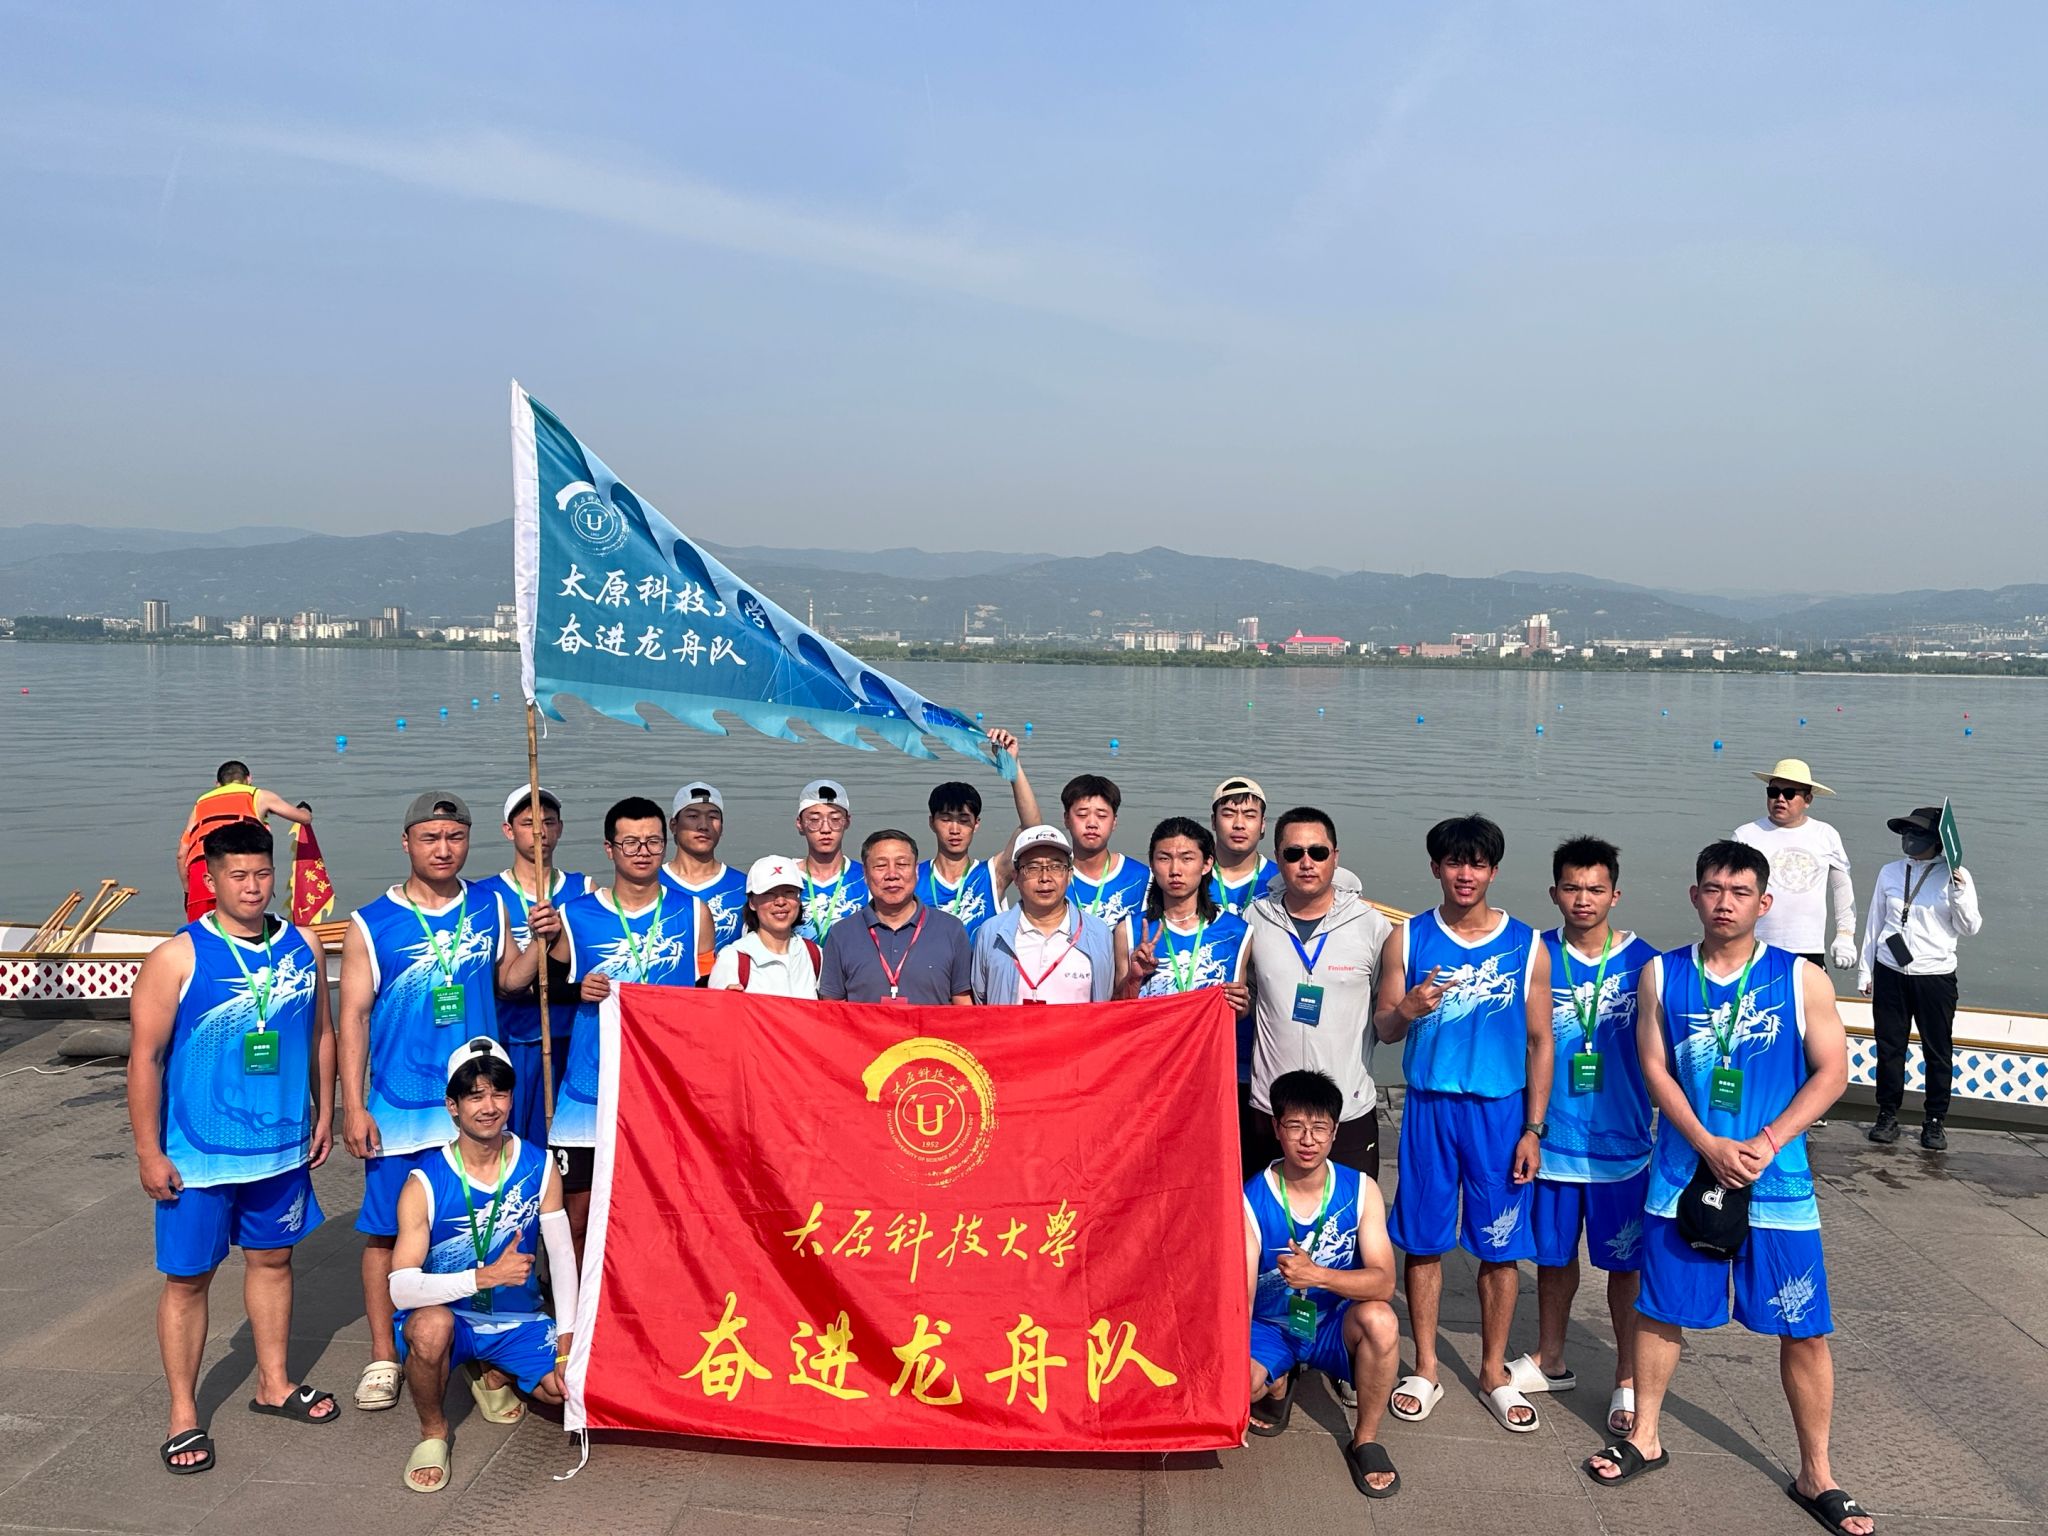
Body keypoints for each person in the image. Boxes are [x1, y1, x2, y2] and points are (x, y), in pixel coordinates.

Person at [1585, 841, 1873, 1536]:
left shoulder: (1800, 979)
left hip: (1776, 1181)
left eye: (1740, 892)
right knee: (1660, 1310)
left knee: (1804, 1327)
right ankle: (1646, 1436)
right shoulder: (1662, 974)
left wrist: (1767, 1141)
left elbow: (1832, 1072)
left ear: (1764, 903)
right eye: (1713, 889)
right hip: (1685, 1174)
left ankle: (1817, 1473)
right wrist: (1707, 1143)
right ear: (1695, 896)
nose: (1725, 903)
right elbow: (1655, 1069)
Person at [129, 821, 339, 1475]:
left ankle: (273, 1383)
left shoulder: (304, 943)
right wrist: (148, 1152)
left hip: (280, 1149)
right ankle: (183, 1414)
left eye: (262, 873)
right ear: (211, 879)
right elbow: (144, 1059)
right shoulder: (176, 957)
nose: (252, 887)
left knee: (273, 1261)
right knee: (189, 1280)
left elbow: (321, 1035)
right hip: (197, 1158)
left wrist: (325, 1112)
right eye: (238, 875)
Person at [338, 790, 554, 1416]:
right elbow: (352, 1018)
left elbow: (508, 980)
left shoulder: (490, 904)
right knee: (386, 1234)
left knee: (479, 1226)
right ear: (406, 842)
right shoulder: (370, 922)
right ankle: (385, 1355)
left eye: (455, 837)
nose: (443, 849)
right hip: (400, 1112)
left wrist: (541, 943)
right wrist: (354, 1105)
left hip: (475, 1105)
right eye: (430, 838)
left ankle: (483, 1352)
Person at [1374, 814, 1551, 1434]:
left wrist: (1534, 1129)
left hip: (1500, 1113)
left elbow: (1541, 1042)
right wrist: (1408, 1006)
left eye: (1477, 863)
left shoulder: (1528, 944)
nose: (1465, 874)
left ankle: (1493, 1370)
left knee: (1500, 1249)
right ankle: (1425, 1367)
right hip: (1429, 1107)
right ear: (1436, 868)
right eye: (1454, 862)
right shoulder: (1407, 938)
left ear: (1493, 871)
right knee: (1423, 1241)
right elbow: (1384, 1028)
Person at [1505, 836, 1660, 1439]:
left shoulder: (1648, 964)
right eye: (1572, 887)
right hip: (1552, 1142)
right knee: (1552, 1258)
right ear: (1554, 893)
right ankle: (1550, 1358)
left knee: (1626, 1268)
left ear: (1616, 895)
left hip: (1624, 1149)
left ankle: (1627, 1375)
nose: (1583, 899)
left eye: (1596, 889)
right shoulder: (1534, 955)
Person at [388, 1038, 577, 1495]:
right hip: (451, 1317)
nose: (489, 1107)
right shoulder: (424, 1182)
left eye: (499, 1093)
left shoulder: (539, 1166)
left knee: (567, 1390)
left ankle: (493, 1370)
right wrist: (485, 1277)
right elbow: (401, 1288)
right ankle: (434, 1433)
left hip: (517, 1319)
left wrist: (569, 1342)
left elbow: (563, 1259)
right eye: (474, 1096)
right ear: (452, 1106)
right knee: (429, 1331)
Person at [549, 796, 709, 1248]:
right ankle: (569, 1295)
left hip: (663, 1089)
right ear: (610, 849)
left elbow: (706, 993)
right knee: (577, 1218)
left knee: (660, 1211)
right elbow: (547, 987)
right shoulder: (575, 915)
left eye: (653, 842)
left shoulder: (694, 913)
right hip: (589, 1090)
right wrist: (577, 990)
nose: (643, 851)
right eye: (631, 842)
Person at [1244, 1069, 1403, 1500]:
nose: (1308, 1140)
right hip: (1272, 1325)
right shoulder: (1250, 1198)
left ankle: (1366, 1440)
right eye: (1295, 1126)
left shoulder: (1361, 1189)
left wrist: (1317, 1275)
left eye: (1319, 1128)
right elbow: (1242, 1297)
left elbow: (1384, 1283)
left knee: (1382, 1321)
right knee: (1239, 1388)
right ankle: (1278, 1380)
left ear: (1335, 1132)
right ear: (1277, 1128)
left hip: (1333, 1320)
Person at [1243, 808, 1391, 1180]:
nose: (1306, 863)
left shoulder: (1372, 926)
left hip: (1346, 1111)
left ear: (1335, 856)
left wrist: (1410, 1010)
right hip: (1272, 1109)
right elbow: (1246, 997)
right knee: (1266, 1214)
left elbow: (1386, 1017)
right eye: (1294, 853)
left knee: (1349, 1215)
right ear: (1278, 858)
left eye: (1318, 852)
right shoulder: (1254, 919)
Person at [1858, 805, 1982, 1151]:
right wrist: (1866, 969)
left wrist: (1958, 893)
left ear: (1936, 841)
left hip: (1934, 975)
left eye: (1917, 833)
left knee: (1937, 1050)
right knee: (1889, 1047)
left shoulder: (1956, 876)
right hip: (1891, 969)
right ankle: (1887, 1115)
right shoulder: (1890, 872)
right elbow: (1875, 921)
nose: (1909, 838)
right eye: (1906, 832)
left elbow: (1970, 927)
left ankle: (1935, 1121)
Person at [483, 786, 589, 1148]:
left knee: (570, 1144)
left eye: (549, 822)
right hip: (515, 1040)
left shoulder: (584, 888)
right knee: (516, 1143)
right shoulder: (488, 896)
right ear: (508, 830)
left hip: (571, 1039)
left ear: (560, 828)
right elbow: (501, 983)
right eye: (528, 823)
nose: (540, 831)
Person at [970, 824, 1123, 1004]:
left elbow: (1105, 1002)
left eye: (1056, 867)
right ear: (1016, 877)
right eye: (1033, 867)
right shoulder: (992, 933)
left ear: (1069, 874)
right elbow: (981, 1004)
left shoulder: (1097, 933)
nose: (1045, 878)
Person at [818, 829, 974, 1005]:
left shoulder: (951, 929)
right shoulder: (842, 933)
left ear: (916, 871)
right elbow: (832, 1006)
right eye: (880, 866)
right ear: (865, 874)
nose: (892, 875)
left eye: (902, 864)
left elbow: (963, 1002)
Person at [1732, 758, 1857, 972]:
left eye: (1789, 793)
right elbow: (1731, 891)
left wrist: (1845, 935)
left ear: (1807, 799)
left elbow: (1841, 887)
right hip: (1755, 944)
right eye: (1773, 792)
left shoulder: (1826, 834)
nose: (1780, 799)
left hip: (1808, 946)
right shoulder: (1745, 835)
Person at [917, 727, 1039, 939]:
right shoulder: (913, 876)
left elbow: (1032, 829)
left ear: (976, 824)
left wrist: (1013, 765)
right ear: (932, 822)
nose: (955, 829)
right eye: (946, 819)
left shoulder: (993, 875)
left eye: (964, 821)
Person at [1123, 817, 1251, 1014]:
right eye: (1164, 858)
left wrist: (1241, 1007)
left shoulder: (1237, 932)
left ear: (1207, 863)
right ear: (1152, 864)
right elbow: (1116, 1009)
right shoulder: (1129, 930)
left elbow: (1236, 1013)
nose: (1175, 870)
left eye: (1187, 859)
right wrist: (1134, 978)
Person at [177, 759, 313, 922]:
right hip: (240, 869)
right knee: (244, 926)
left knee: (200, 931)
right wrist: (305, 809)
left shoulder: (200, 803)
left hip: (201, 873)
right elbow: (303, 818)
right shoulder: (258, 795)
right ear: (249, 779)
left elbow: (182, 854)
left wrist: (188, 890)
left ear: (218, 785)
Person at [708, 855, 823, 997]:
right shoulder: (732, 958)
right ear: (752, 903)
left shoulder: (814, 954)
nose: (780, 902)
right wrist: (726, 1002)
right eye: (769, 894)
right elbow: (714, 1009)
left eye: (789, 892)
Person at [661, 781, 750, 957]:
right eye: (693, 816)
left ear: (721, 827)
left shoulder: (744, 886)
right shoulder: (651, 883)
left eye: (712, 817)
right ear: (673, 826)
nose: (703, 825)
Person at [1062, 773, 1151, 941]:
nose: (1092, 824)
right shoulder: (1051, 876)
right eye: (1082, 815)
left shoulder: (1142, 877)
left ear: (1114, 821)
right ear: (1066, 819)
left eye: (1102, 816)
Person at [793, 779, 867, 941]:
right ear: (800, 823)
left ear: (847, 822)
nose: (825, 829)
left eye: (835, 819)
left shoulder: (867, 877)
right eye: (814, 820)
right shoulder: (784, 877)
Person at [1209, 776, 1281, 911]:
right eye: (1228, 814)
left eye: (1250, 816)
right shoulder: (1191, 875)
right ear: (1213, 821)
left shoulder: (1281, 879)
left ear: (1262, 824)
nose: (1239, 824)